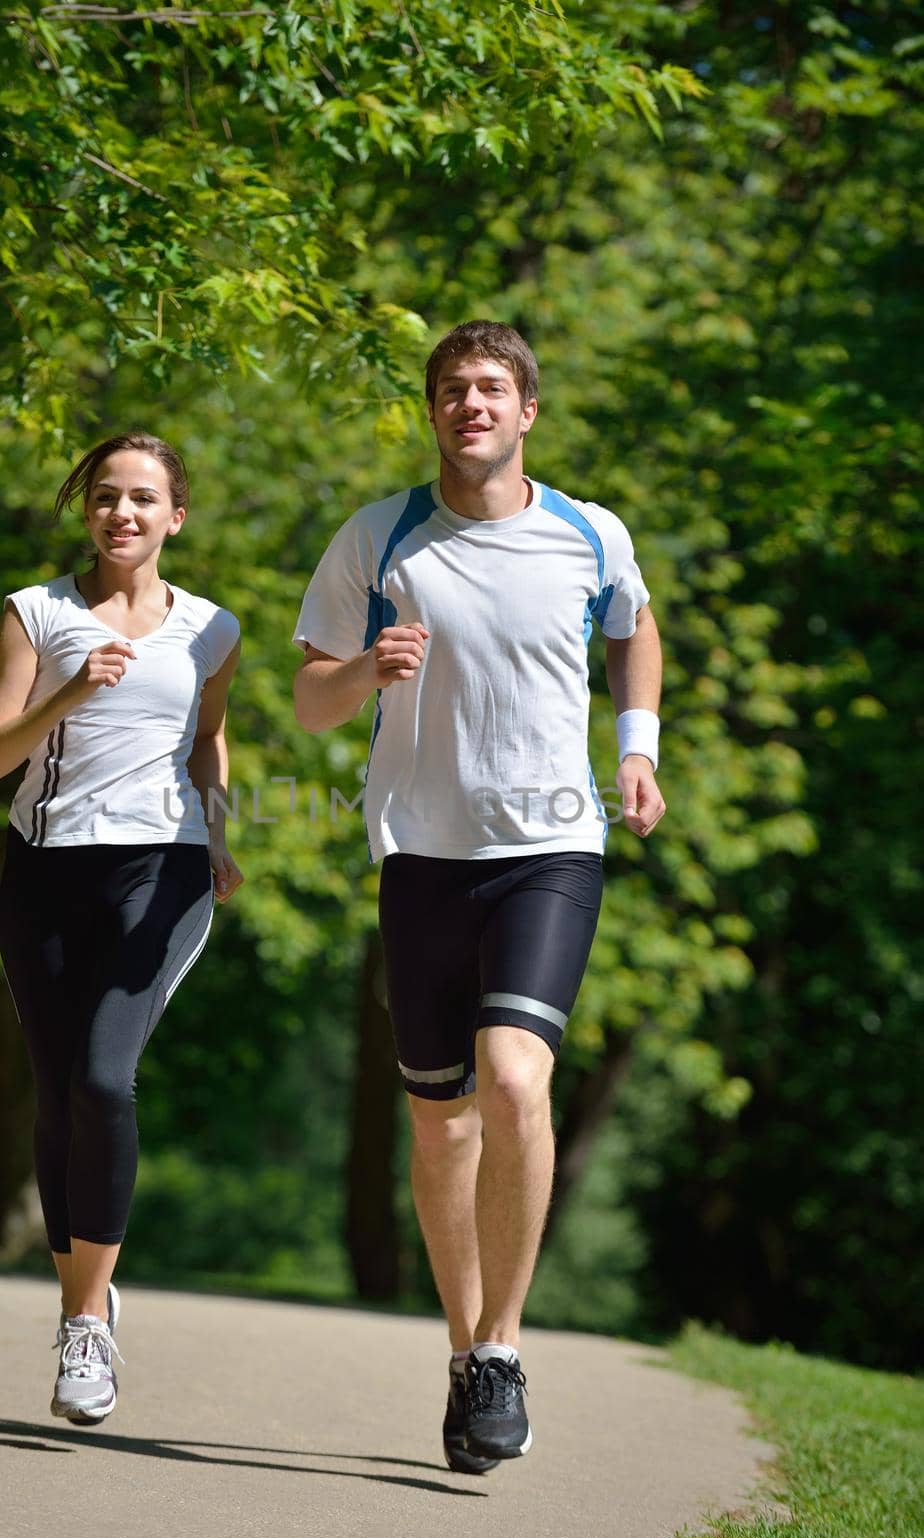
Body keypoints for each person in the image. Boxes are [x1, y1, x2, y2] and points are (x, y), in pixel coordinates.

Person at [293, 322, 665, 1472]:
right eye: (452, 389)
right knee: (440, 1120)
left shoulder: (589, 532)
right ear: (433, 410)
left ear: (527, 411)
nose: (472, 404)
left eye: (492, 388)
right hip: (421, 851)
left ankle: (504, 1346)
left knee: (514, 1076)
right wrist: (367, 669)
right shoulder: (381, 534)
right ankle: (466, 1352)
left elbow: (635, 630)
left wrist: (639, 746)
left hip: (551, 847)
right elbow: (310, 700)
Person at [0, 431, 242, 1424]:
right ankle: (86, 1297)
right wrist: (74, 688)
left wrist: (222, 832)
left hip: (161, 870)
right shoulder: (35, 614)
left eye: (142, 499)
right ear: (86, 512)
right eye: (105, 497)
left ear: (177, 515)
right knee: (53, 1094)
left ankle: (87, 1329)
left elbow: (206, 739)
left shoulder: (213, 628)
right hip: (44, 870)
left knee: (101, 1076)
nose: (121, 513)